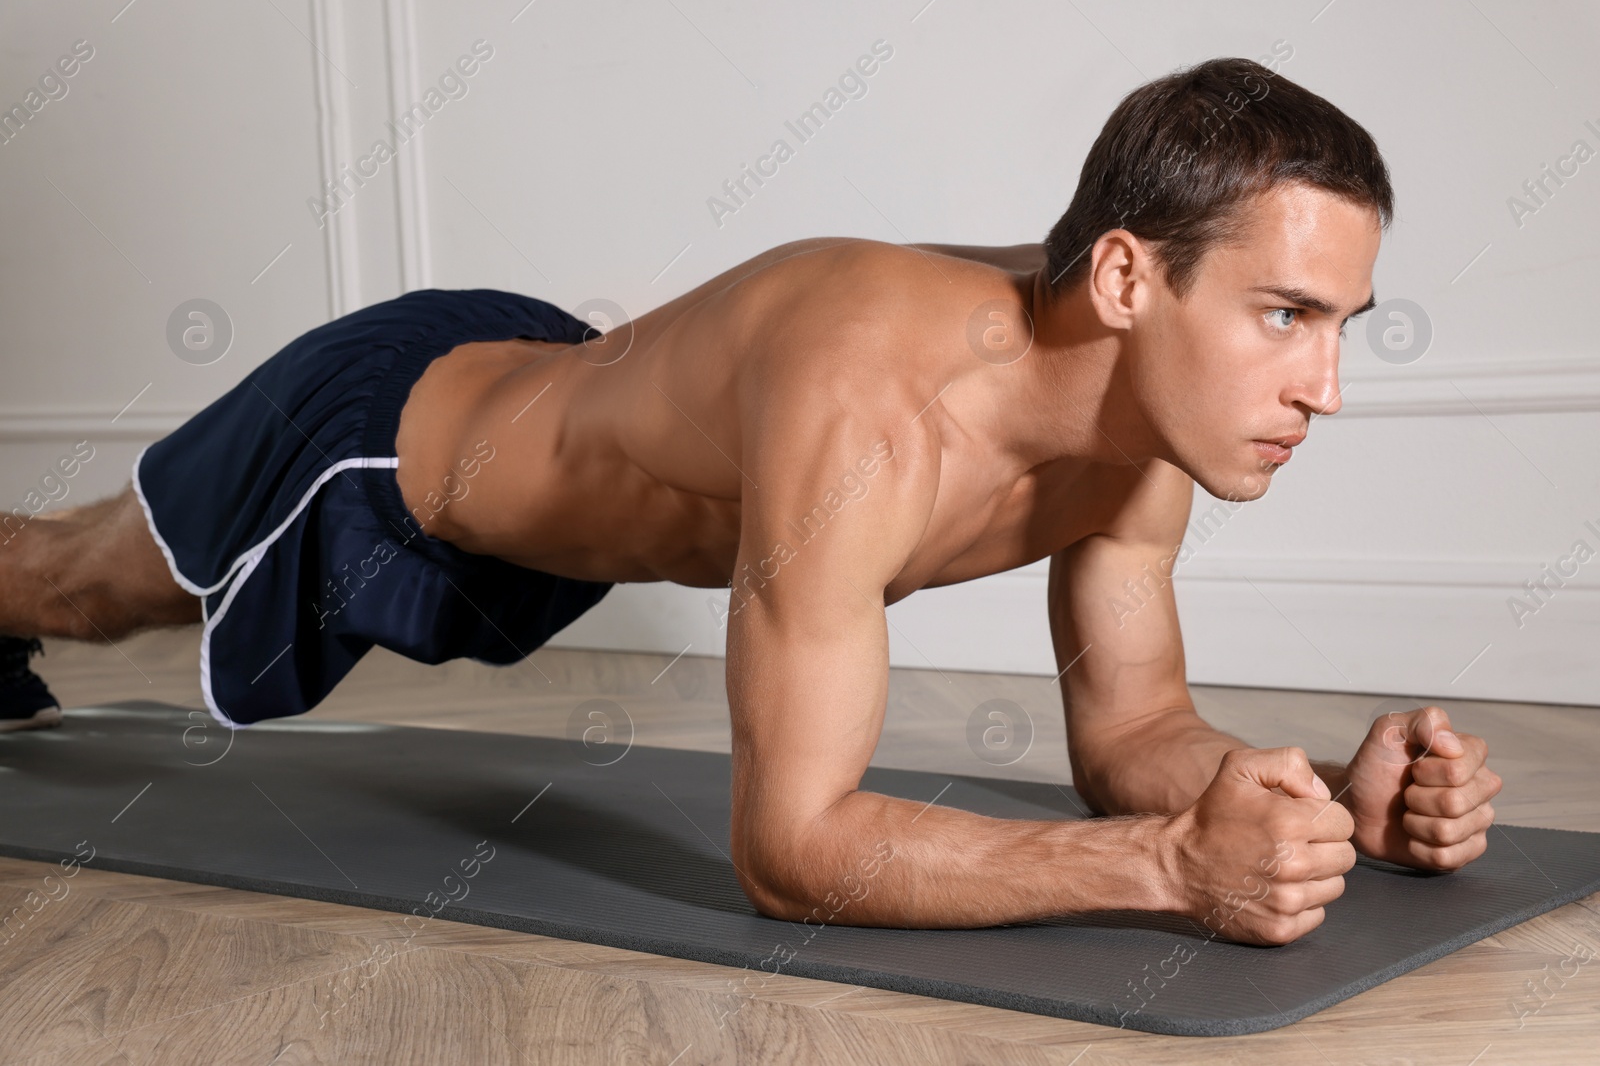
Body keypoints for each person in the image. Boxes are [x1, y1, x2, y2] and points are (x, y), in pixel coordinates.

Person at [0, 57, 1500, 943]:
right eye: (1285, 315)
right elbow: (791, 848)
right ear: (1125, 276)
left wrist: (1313, 804)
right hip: (397, 448)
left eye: (1342, 324)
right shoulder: (871, 403)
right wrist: (1171, 871)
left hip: (581, 436)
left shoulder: (1142, 441)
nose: (1327, 386)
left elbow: (1133, 738)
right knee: (61, 587)